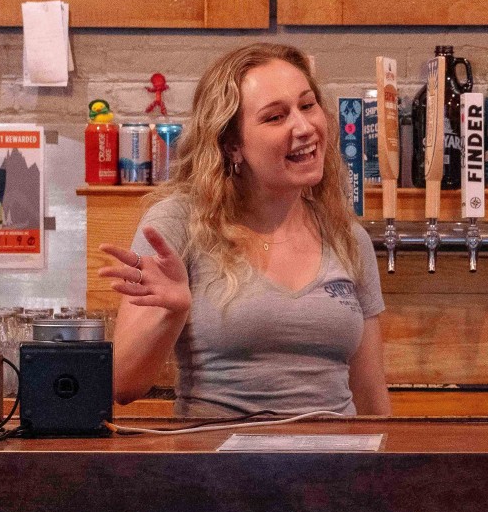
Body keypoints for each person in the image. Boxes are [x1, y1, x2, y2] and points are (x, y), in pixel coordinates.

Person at [97, 42, 391, 418]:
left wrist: (387, 471)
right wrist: (173, 313)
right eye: (275, 117)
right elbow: (123, 384)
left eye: (307, 105)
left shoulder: (348, 237)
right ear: (232, 144)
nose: (303, 127)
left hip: (335, 467)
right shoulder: (177, 224)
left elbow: (370, 395)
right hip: (218, 468)